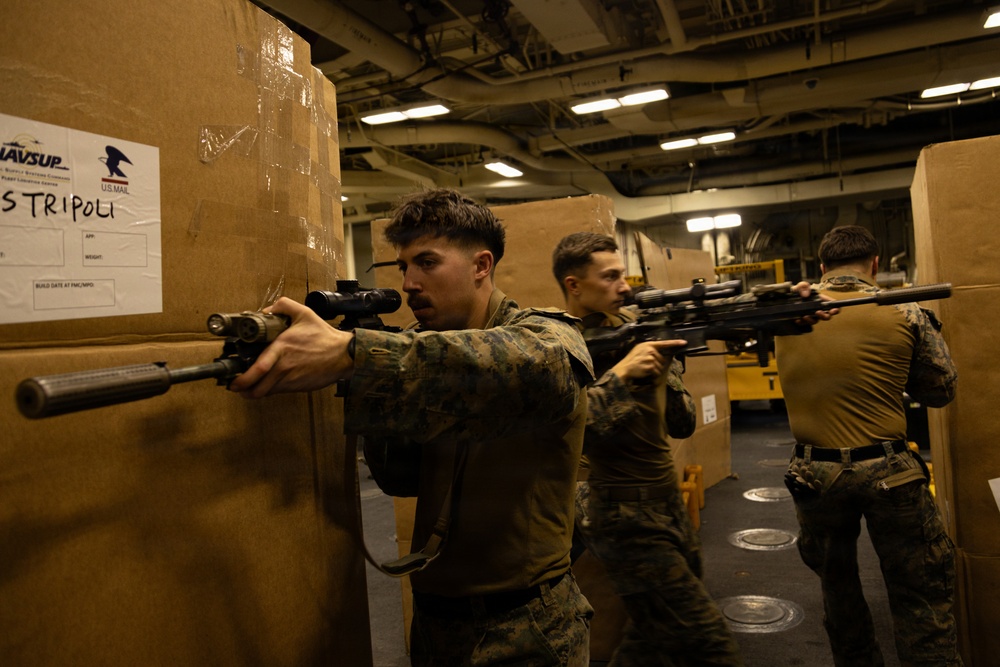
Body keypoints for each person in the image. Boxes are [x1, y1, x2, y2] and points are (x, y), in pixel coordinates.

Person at [230, 188, 595, 666]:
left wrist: (354, 355)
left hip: (528, 626)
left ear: (481, 265)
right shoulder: (415, 348)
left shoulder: (547, 334)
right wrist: (367, 375)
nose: (409, 283)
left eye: (427, 262)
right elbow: (399, 477)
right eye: (403, 267)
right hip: (436, 622)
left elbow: (535, 372)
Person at [552, 231, 744, 666]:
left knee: (650, 637)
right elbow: (572, 430)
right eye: (610, 276)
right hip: (622, 511)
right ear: (574, 285)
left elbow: (682, 422)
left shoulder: (630, 332)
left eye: (624, 274)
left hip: (665, 502)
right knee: (711, 644)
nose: (624, 285)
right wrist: (621, 374)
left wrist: (670, 360)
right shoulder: (560, 347)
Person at [776, 225, 961, 666]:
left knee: (838, 588)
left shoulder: (785, 314)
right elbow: (940, 391)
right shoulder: (906, 312)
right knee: (921, 592)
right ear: (875, 264)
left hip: (813, 476)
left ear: (821, 267)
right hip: (889, 473)